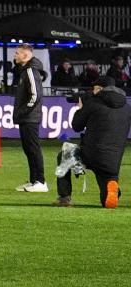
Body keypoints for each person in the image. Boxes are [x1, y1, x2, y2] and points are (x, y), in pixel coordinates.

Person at [55, 79, 126, 209]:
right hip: (113, 161)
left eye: (94, 89)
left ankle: (64, 198)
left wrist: (80, 109)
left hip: (92, 155)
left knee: (64, 154)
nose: (92, 92)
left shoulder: (93, 103)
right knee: (106, 199)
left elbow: (76, 126)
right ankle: (113, 187)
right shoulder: (126, 106)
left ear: (100, 89)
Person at [11, 43, 48, 194]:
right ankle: (34, 180)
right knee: (29, 149)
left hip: (30, 118)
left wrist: (23, 111)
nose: (15, 56)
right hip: (27, 117)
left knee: (33, 149)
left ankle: (41, 181)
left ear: (26, 55)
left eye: (17, 53)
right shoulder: (25, 71)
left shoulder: (31, 71)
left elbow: (36, 95)